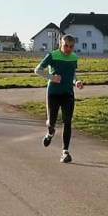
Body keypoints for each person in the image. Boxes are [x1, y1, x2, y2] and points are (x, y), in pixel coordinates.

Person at [34, 34, 84, 163]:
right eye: (65, 46)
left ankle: (65, 152)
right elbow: (37, 70)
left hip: (68, 94)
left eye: (71, 47)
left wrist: (76, 81)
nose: (68, 49)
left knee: (67, 122)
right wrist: (51, 77)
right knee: (52, 122)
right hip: (53, 93)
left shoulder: (74, 57)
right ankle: (50, 133)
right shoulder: (52, 55)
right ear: (60, 44)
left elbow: (73, 73)